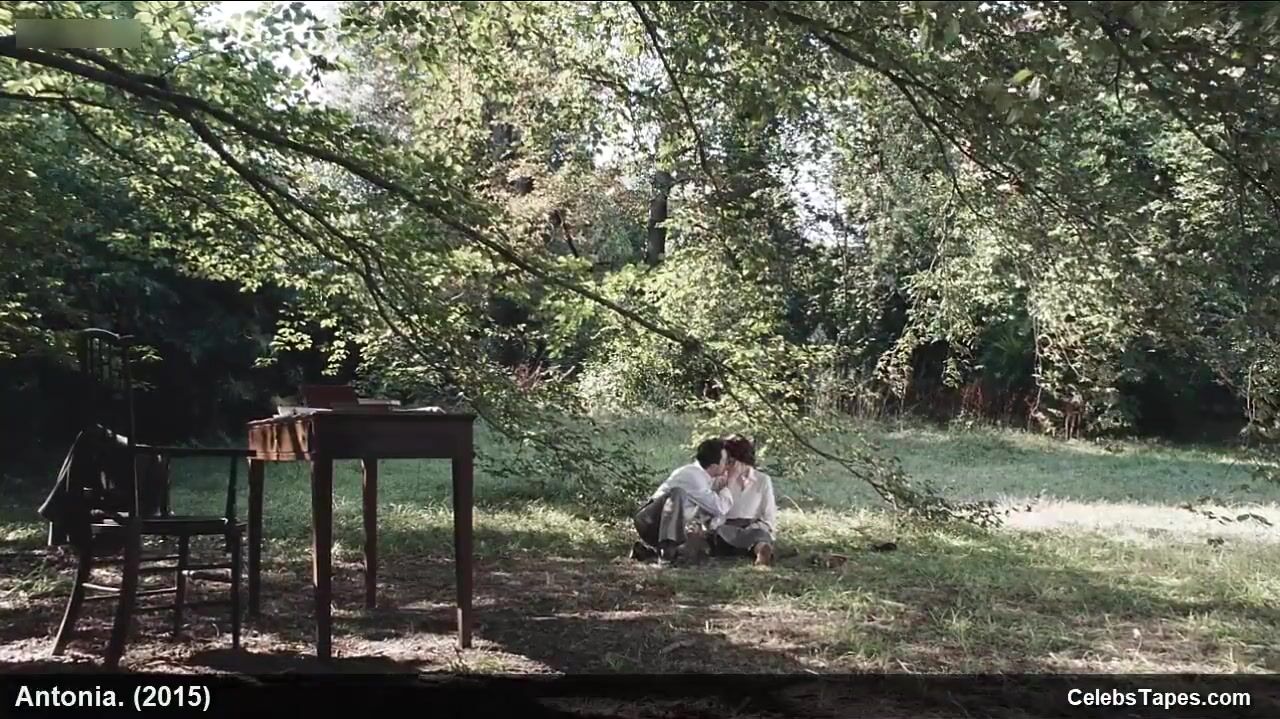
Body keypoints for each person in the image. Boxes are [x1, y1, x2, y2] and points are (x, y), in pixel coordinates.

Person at [631, 437, 732, 563]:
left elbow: (708, 512)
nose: (727, 466)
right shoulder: (694, 477)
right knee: (677, 493)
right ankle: (666, 552)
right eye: (725, 462)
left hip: (661, 523)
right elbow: (719, 508)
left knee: (699, 549)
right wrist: (725, 489)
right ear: (713, 466)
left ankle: (646, 553)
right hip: (650, 521)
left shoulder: (702, 476)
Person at [711, 434, 777, 566]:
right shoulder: (719, 481)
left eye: (729, 461)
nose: (726, 466)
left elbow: (768, 517)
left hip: (752, 527)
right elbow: (715, 512)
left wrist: (751, 529)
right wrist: (728, 484)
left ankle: (762, 552)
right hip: (727, 527)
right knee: (720, 534)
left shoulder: (762, 480)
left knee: (759, 535)